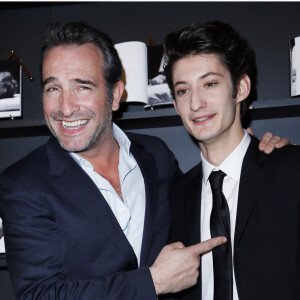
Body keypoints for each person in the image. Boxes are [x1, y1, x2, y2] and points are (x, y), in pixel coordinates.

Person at [0, 21, 289, 300]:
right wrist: (154, 281)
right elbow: (40, 294)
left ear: (115, 95)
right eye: (53, 88)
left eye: (82, 87)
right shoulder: (22, 184)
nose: (65, 107)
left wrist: (261, 155)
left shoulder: (156, 156)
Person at [163, 21, 300, 300]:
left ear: (240, 88)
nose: (195, 103)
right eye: (183, 90)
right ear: (175, 105)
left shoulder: (292, 170)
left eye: (210, 83)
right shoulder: (173, 196)